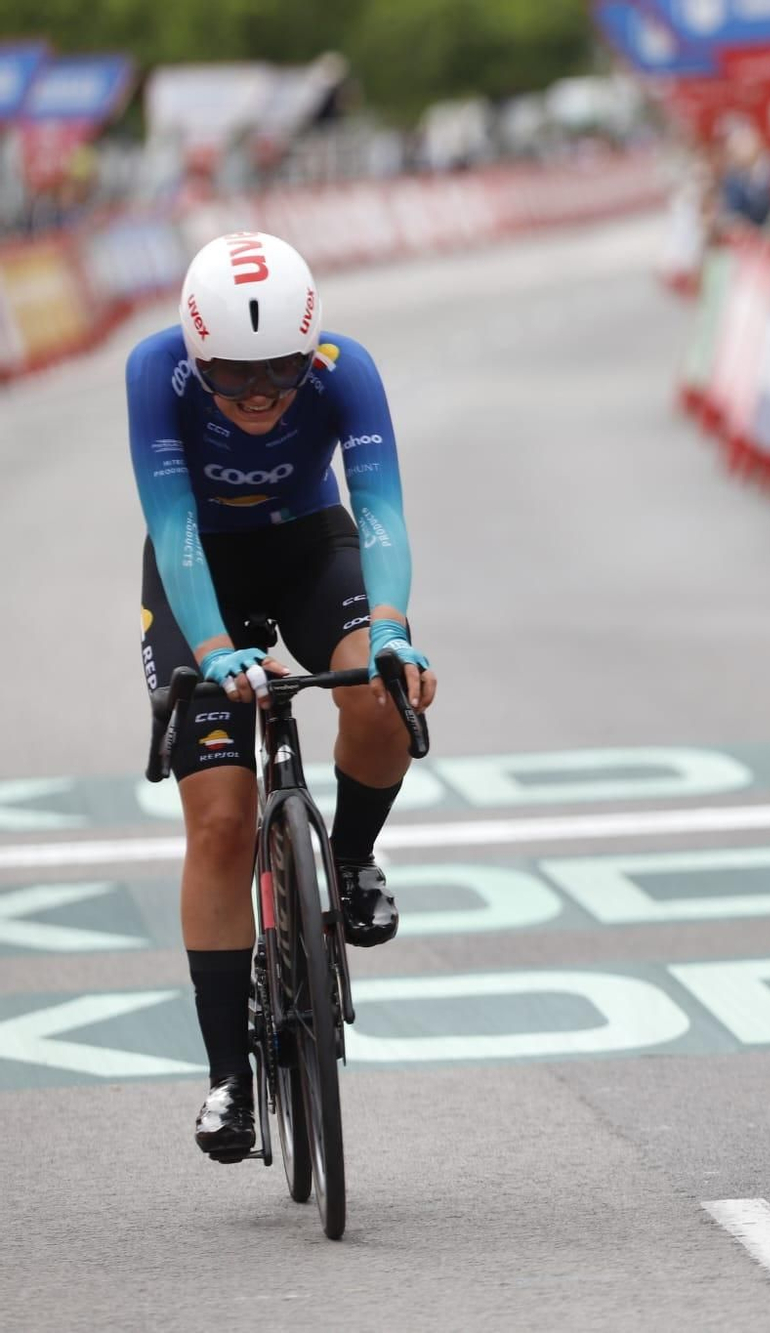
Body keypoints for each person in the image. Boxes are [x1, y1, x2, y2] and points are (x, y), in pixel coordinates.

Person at [128, 232, 437, 1161]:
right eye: (232, 375)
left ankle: (347, 862)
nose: (259, 396)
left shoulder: (347, 371)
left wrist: (390, 627)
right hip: (200, 571)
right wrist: (217, 650)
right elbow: (172, 521)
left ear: (310, 348)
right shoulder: (157, 372)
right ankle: (228, 1076)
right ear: (194, 352)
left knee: (383, 695)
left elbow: (380, 506)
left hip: (311, 545)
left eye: (279, 374)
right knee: (220, 824)